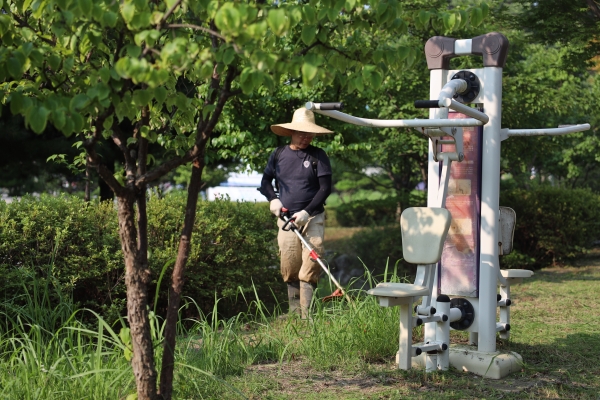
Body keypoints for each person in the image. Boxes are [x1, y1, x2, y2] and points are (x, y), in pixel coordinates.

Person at [259, 107, 333, 319]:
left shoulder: (318, 155)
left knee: (312, 260)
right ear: (292, 132)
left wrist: (307, 211)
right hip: (287, 219)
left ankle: (307, 315)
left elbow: (325, 188)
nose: (306, 138)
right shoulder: (278, 154)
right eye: (302, 133)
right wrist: (273, 199)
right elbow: (265, 182)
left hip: (312, 217)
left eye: (310, 134)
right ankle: (294, 313)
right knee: (289, 261)